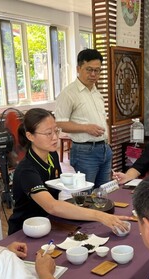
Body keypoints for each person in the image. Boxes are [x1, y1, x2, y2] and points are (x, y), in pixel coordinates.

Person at [8, 108, 130, 235]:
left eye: (56, 131)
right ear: (30, 136)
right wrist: (100, 216)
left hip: (49, 223)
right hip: (26, 230)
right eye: (48, 133)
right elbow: (52, 206)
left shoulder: (52, 156)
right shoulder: (26, 170)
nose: (55, 137)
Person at [54, 49, 112, 187]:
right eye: (89, 69)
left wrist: (108, 143)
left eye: (97, 70)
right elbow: (60, 123)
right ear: (78, 68)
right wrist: (86, 128)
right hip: (84, 152)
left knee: (104, 193)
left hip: (104, 148)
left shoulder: (96, 92)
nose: (93, 74)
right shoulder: (69, 93)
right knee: (86, 196)